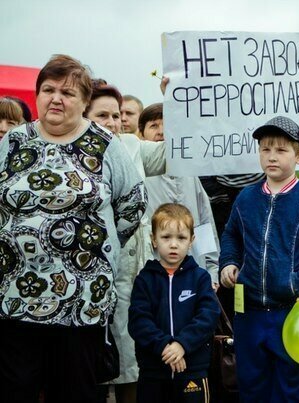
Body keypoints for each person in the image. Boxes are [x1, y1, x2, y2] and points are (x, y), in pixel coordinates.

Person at [0, 54, 147, 402]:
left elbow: (133, 204)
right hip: (15, 297)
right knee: (14, 389)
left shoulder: (105, 145)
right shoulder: (14, 142)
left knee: (74, 392)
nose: (56, 98)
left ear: (84, 102)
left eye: (67, 92)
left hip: (81, 302)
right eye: (48, 89)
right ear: (37, 96)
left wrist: (96, 245)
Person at [219, 116, 299, 402]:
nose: (272, 157)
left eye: (281, 150)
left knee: (296, 392)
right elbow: (231, 236)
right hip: (249, 315)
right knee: (252, 390)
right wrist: (228, 263)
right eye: (265, 149)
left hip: (295, 313)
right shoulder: (246, 197)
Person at [84, 80, 166, 403]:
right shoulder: (69, 152)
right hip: (90, 278)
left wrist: (175, 99)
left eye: (116, 115)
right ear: (83, 115)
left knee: (132, 367)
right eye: (102, 115)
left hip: (133, 276)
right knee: (94, 370)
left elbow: (172, 152)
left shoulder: (132, 145)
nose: (112, 122)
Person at [128, 203, 220, 403]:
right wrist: (164, 346)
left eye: (181, 238)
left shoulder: (200, 278)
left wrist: (182, 344)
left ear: (191, 241)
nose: (173, 244)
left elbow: (208, 317)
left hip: (192, 369)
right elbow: (138, 321)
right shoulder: (145, 279)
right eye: (166, 237)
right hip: (153, 372)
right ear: (153, 239)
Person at [139, 103, 221, 286]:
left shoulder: (189, 175)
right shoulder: (138, 177)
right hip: (153, 278)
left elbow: (204, 225)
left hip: (193, 276)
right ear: (141, 134)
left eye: (166, 126)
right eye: (153, 126)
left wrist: (212, 270)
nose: (161, 131)